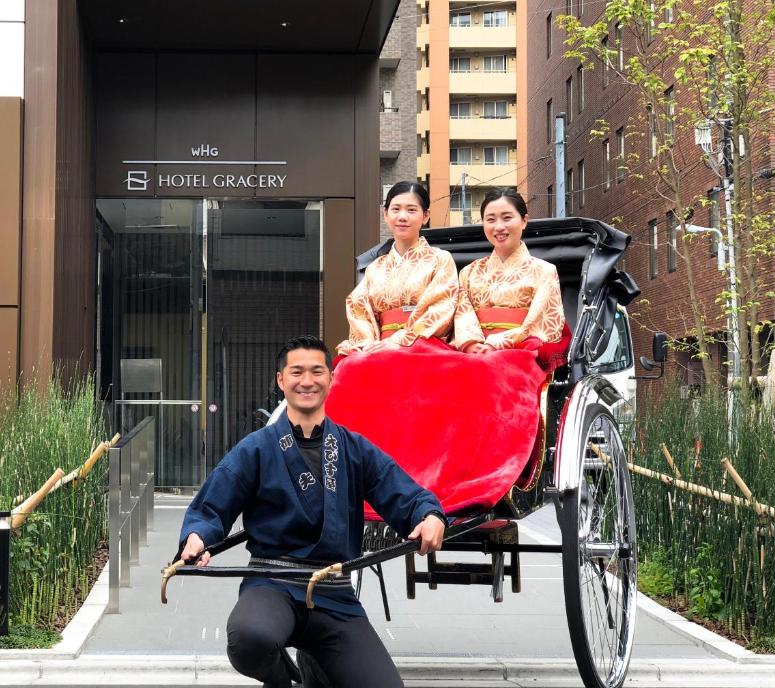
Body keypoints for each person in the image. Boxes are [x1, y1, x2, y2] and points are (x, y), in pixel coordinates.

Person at [179, 335, 446, 688]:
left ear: (331, 379)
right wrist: (198, 536)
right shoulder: (256, 449)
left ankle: (316, 667)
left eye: (317, 371)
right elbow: (214, 503)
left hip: (333, 592)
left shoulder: (354, 448)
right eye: (297, 372)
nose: (307, 381)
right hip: (273, 584)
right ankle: (284, 680)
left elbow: (400, 491)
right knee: (249, 639)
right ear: (281, 380)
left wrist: (429, 515)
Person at [337, 181, 459, 355]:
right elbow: (359, 309)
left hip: (424, 346)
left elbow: (442, 308)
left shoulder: (440, 259)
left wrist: (402, 339)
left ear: (425, 216)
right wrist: (370, 343)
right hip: (379, 347)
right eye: (395, 209)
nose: (402, 216)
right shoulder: (375, 267)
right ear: (385, 215)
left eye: (411, 210)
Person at [452, 188, 566, 356]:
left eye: (507, 218)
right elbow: (462, 314)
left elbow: (540, 324)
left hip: (520, 350)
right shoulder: (468, 272)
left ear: (524, 221)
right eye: (490, 219)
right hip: (474, 351)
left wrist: (498, 343)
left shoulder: (544, 271)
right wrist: (470, 344)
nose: (499, 227)